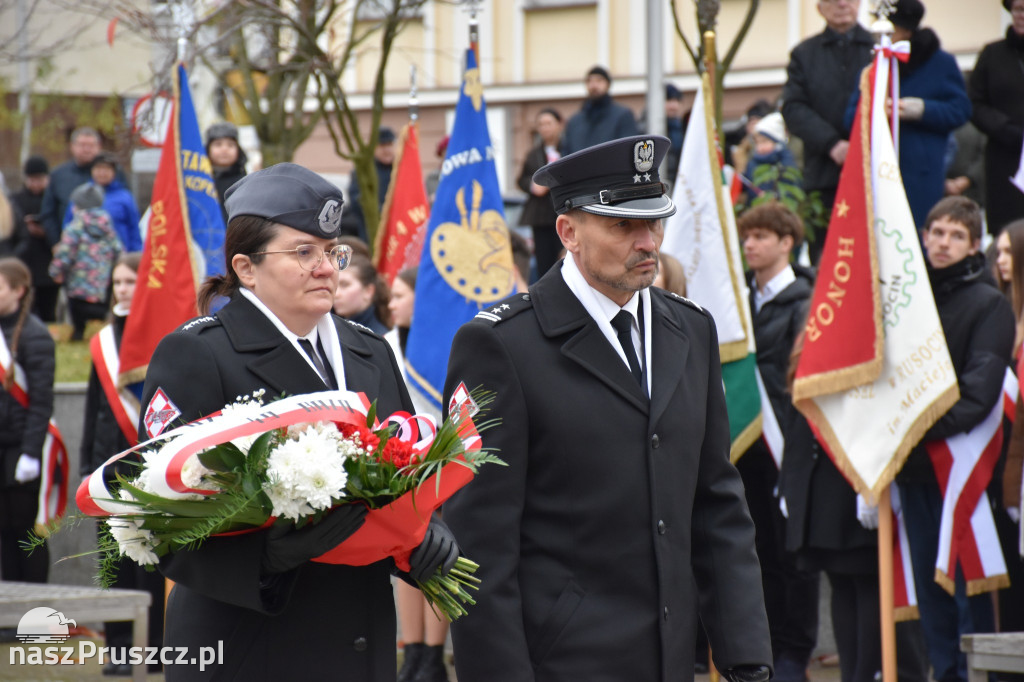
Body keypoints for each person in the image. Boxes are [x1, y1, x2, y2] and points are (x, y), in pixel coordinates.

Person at [443, 135, 772, 681]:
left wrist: (748, 659)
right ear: (568, 232)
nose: (647, 242)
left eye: (655, 223)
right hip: (563, 663)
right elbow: (479, 547)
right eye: (623, 225)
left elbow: (716, 506)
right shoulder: (501, 345)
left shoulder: (690, 328)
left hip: (671, 660)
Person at [140, 162, 460, 681]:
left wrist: (423, 536)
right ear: (245, 268)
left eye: (333, 252)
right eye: (303, 252)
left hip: (361, 639)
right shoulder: (197, 354)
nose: (327, 267)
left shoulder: (370, 351)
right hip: (252, 645)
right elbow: (160, 519)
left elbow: (401, 471)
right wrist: (266, 557)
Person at [896, 196, 1014, 682]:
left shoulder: (989, 304)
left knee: (967, 593)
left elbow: (977, 395)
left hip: (963, 473)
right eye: (936, 232)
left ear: (974, 245)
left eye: (956, 235)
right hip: (914, 471)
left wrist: (905, 428)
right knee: (929, 593)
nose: (943, 243)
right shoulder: (908, 295)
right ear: (923, 237)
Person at [735, 202, 819, 682]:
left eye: (762, 236)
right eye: (747, 236)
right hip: (747, 445)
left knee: (794, 555)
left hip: (788, 443)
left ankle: (796, 651)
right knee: (757, 550)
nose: (750, 244)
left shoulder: (806, 300)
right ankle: (765, 647)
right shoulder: (739, 300)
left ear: (787, 242)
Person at [79, 252, 166, 675]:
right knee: (111, 559)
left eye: (130, 282)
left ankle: (152, 646)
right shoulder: (101, 343)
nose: (122, 290)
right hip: (109, 469)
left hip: (151, 467)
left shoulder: (163, 335)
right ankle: (117, 647)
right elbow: (95, 406)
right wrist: (87, 465)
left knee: (149, 558)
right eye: (117, 283)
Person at [846, 0, 971, 229]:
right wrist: (873, 111)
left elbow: (960, 110)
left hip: (920, 173)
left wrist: (922, 110)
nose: (882, 35)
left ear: (906, 30)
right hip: (878, 170)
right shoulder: (875, 64)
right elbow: (850, 117)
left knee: (919, 236)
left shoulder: (941, 63)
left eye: (890, 29)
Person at [386, 267, 451, 682]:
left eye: (399, 295)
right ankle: (412, 652)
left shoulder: (447, 337)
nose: (391, 304)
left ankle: (433, 654)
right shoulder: (386, 344)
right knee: (406, 561)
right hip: (401, 467)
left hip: (441, 464)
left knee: (439, 559)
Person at [782, 0, 873, 262]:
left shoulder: (878, 48)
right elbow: (794, 107)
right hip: (824, 178)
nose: (842, 3)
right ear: (819, 7)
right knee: (828, 261)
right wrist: (833, 144)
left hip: (873, 175)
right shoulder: (804, 54)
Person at [0, 257, 56, 585]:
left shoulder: (35, 336)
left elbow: (41, 400)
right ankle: (9, 611)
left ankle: (34, 614)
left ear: (18, 291)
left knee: (27, 535)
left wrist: (31, 453)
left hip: (22, 450)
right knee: (4, 535)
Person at [990, 219, 1024, 639]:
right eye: (997, 252)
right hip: (996, 466)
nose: (999, 260)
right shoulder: (999, 315)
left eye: (1007, 251)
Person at [969, 0, 1024, 235]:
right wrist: (1005, 129)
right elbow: (974, 103)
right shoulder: (992, 54)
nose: (1022, 15)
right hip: (1006, 157)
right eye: (1019, 9)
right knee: (1009, 231)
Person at [48, 184, 120, 341]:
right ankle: (101, 324)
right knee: (98, 310)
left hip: (77, 281)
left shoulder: (75, 227)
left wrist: (56, 271)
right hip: (101, 280)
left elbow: (65, 251)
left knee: (77, 310)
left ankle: (78, 333)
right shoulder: (107, 225)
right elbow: (118, 249)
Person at [8, 157, 59, 323]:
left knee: (48, 307)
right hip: (24, 260)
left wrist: (46, 232)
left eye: (40, 180)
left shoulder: (53, 200)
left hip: (47, 261)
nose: (36, 184)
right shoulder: (15, 200)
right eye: (32, 180)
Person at [517, 108, 565, 277]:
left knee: (566, 259)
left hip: (564, 211)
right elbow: (521, 179)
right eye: (541, 125)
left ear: (559, 125)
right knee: (544, 263)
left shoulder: (569, 149)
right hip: (541, 216)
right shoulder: (533, 154)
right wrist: (533, 186)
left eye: (548, 123)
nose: (545, 128)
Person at [62, 152, 142, 252]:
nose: (102, 173)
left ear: (114, 172)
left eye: (107, 169)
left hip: (119, 256)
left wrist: (136, 253)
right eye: (99, 169)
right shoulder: (82, 195)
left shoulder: (125, 197)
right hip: (86, 257)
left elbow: (133, 228)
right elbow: (69, 224)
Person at [38, 126, 103, 247]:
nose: (87, 149)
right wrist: (56, 243)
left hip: (104, 248)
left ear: (99, 147)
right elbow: (48, 213)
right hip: (69, 246)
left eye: (91, 145)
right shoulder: (59, 175)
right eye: (82, 145)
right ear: (72, 147)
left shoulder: (112, 175)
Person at [562, 66, 639, 154]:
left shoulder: (623, 116)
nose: (594, 85)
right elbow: (566, 154)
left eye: (599, 80)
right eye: (589, 81)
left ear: (608, 84)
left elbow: (629, 150)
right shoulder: (574, 122)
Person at [343, 127, 397, 241]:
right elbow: (356, 200)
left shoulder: (401, 169)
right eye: (382, 145)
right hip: (370, 231)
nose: (387, 150)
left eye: (390, 145)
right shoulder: (363, 171)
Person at [741, 113, 799, 204]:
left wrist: (776, 197)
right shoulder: (752, 163)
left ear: (777, 142)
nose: (760, 147)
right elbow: (747, 185)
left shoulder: (785, 162)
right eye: (757, 143)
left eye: (764, 142)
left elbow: (792, 187)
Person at [333, 254, 390, 335]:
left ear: (368, 291)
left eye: (345, 285)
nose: (336, 294)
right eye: (334, 285)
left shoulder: (378, 338)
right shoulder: (333, 330)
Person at [206, 122, 248, 225]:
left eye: (230, 145)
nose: (224, 149)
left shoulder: (246, 183)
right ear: (207, 149)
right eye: (218, 144)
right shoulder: (200, 181)